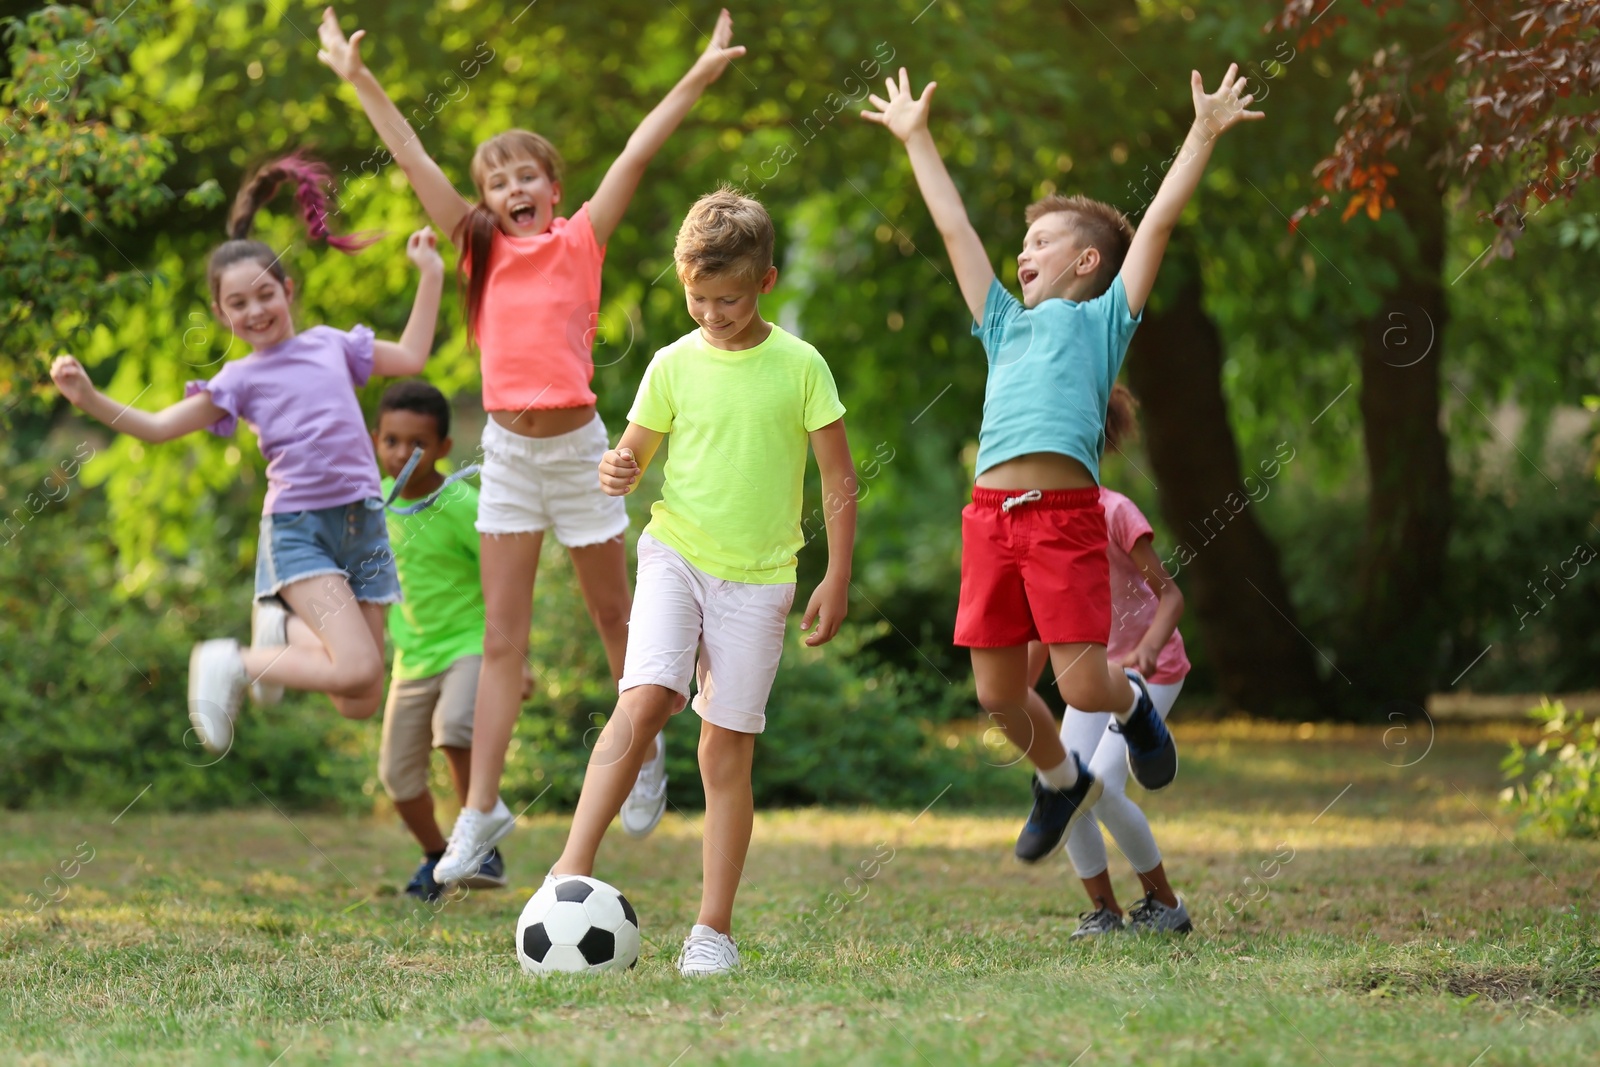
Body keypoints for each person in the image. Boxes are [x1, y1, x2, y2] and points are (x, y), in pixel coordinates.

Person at [315, 6, 747, 883]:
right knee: (504, 639)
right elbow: (414, 161)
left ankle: (646, 751)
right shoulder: (478, 252)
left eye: (525, 173)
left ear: (552, 185)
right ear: (485, 199)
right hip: (509, 460)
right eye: (495, 178)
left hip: (581, 451)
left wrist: (699, 76)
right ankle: (482, 810)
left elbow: (636, 152)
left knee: (616, 620)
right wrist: (361, 81)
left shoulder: (579, 242)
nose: (510, 185)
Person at [862, 65, 1261, 861]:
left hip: (1063, 521)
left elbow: (1153, 228)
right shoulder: (1001, 323)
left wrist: (1203, 131)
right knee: (998, 696)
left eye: (1042, 240)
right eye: (1023, 242)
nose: (1022, 250)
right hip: (989, 521)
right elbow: (954, 231)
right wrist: (917, 138)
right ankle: (1059, 778)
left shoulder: (1106, 321)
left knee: (1082, 685)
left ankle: (1136, 711)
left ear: (1086, 265)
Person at [548, 188, 856, 976]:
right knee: (644, 696)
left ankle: (711, 930)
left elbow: (838, 479)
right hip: (675, 554)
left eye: (728, 297)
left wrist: (837, 575)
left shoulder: (801, 366)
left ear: (766, 281)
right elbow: (632, 455)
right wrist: (617, 467)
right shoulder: (670, 363)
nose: (713, 313)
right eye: (697, 297)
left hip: (760, 580)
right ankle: (565, 874)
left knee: (725, 752)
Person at [49, 155, 444, 754]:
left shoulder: (332, 346)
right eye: (239, 304)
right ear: (221, 313)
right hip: (300, 531)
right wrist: (89, 397)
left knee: (358, 697)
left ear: (287, 290)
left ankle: (277, 637)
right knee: (360, 670)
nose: (255, 311)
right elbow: (157, 428)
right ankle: (228, 658)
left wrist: (430, 272)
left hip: (363, 526)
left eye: (265, 294)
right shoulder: (238, 379)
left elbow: (413, 356)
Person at [1022, 386, 1193, 937]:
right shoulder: (1043, 525)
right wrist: (1013, 693)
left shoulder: (1115, 512)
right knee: (1062, 782)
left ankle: (1166, 906)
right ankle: (1106, 912)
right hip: (1093, 672)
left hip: (1152, 671)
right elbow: (1048, 618)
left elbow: (1171, 597)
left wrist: (1145, 650)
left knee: (1108, 788)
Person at [372, 380, 528, 901]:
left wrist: (515, 658)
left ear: (442, 448)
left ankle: (484, 843)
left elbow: (499, 586)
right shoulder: (374, 507)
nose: (401, 454)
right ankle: (439, 856)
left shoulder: (463, 504)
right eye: (390, 440)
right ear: (376, 440)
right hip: (412, 658)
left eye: (415, 444)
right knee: (397, 778)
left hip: (471, 644)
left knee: (456, 726)